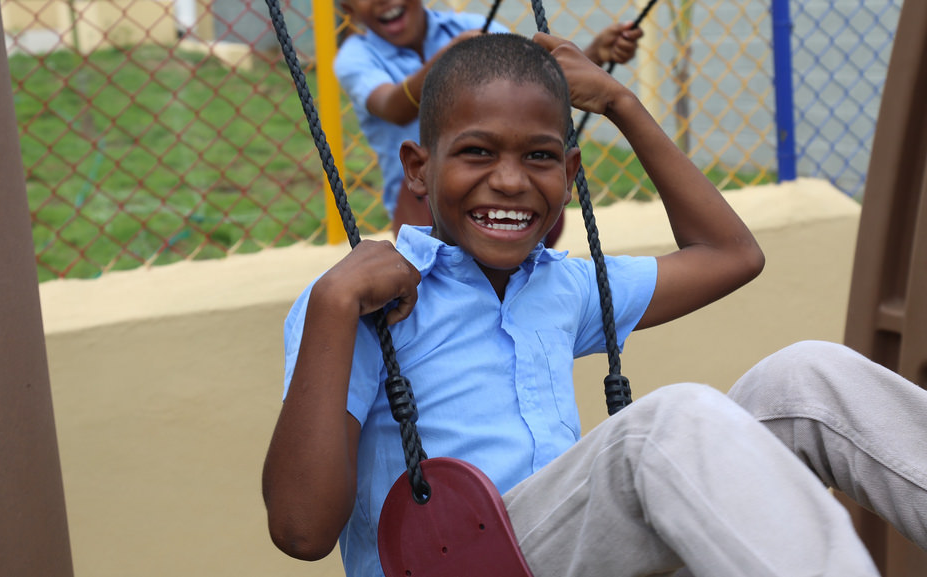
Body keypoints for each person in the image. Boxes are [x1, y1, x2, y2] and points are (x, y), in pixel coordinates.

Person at [264, 32, 923, 576]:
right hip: (453, 558)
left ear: (570, 173)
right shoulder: (363, 302)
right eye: (476, 152)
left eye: (540, 157)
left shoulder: (564, 286)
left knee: (807, 379)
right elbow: (300, 530)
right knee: (664, 424)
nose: (510, 180)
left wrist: (619, 102)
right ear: (418, 168)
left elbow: (731, 255)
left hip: (565, 551)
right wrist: (333, 302)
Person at [333, 0, 643, 242]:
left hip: (505, 195)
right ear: (348, 8)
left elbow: (529, 87)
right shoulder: (355, 57)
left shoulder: (470, 26)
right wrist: (450, 59)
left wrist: (593, 56)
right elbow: (392, 106)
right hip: (425, 207)